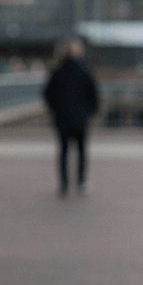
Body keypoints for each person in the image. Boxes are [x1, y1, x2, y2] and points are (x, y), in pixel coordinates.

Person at [43, 37, 100, 197]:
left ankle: (64, 184)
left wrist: (56, 110)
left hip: (62, 119)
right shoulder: (84, 71)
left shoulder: (57, 72)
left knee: (63, 152)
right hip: (81, 119)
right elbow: (94, 95)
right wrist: (89, 112)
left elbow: (47, 94)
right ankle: (81, 182)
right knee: (82, 151)